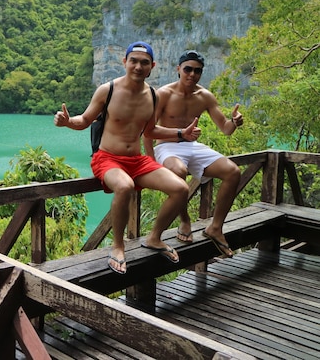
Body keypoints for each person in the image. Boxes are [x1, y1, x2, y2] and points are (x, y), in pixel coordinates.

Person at [54, 41, 201, 275]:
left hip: (137, 161)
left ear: (152, 66)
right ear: (124, 62)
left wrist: (181, 134)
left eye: (144, 63)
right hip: (107, 158)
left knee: (181, 189)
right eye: (133, 61)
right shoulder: (108, 90)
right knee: (124, 186)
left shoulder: (153, 95)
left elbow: (151, 130)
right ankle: (118, 245)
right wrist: (67, 122)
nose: (138, 67)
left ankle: (154, 238)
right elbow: (84, 120)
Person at [144, 50, 243, 258]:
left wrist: (234, 122)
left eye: (197, 71)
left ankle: (215, 227)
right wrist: (150, 160)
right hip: (167, 146)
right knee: (178, 171)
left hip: (192, 146)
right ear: (178, 69)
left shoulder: (205, 96)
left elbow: (225, 129)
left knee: (233, 172)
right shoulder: (164, 93)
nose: (192, 74)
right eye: (187, 69)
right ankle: (184, 219)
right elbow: (148, 130)